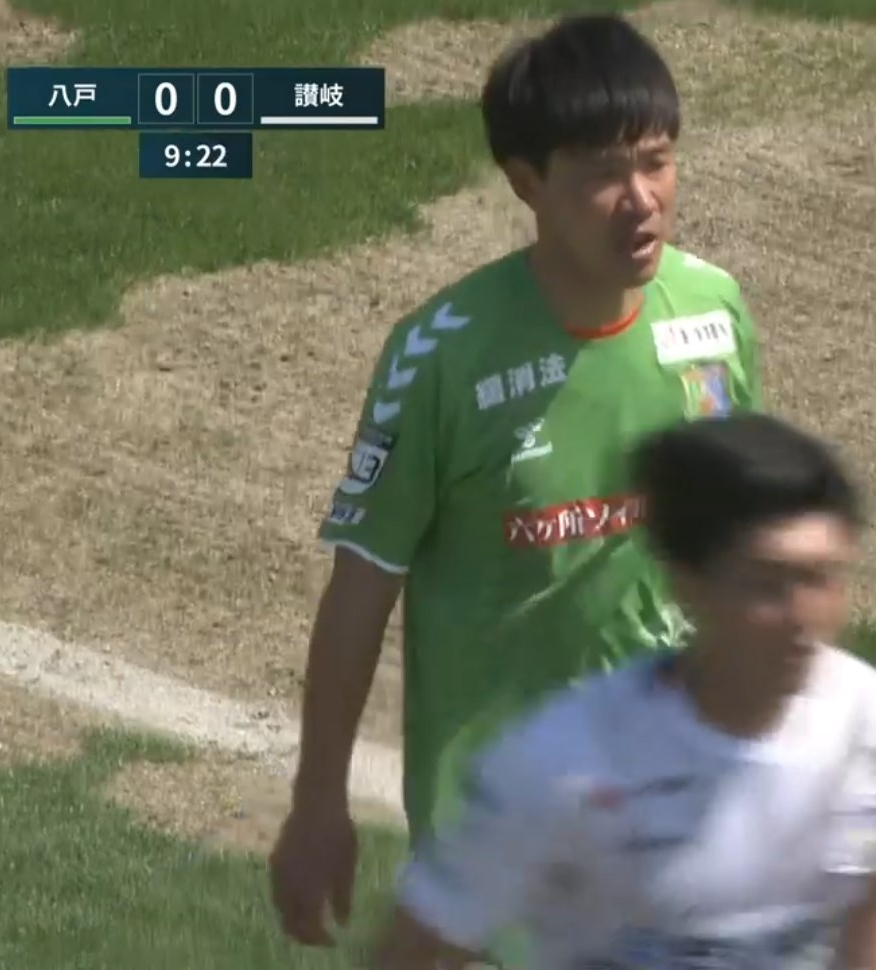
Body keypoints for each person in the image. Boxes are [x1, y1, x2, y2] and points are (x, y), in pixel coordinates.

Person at [268, 12, 765, 951]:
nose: (641, 199)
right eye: (603, 174)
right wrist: (318, 800)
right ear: (526, 181)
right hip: (501, 836)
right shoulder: (442, 359)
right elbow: (362, 585)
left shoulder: (713, 311)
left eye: (657, 162)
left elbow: (743, 542)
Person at [368, 412, 876, 970]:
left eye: (821, 578)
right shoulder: (560, 764)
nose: (801, 616)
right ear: (689, 585)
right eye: (767, 585)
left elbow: (873, 900)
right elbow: (419, 946)